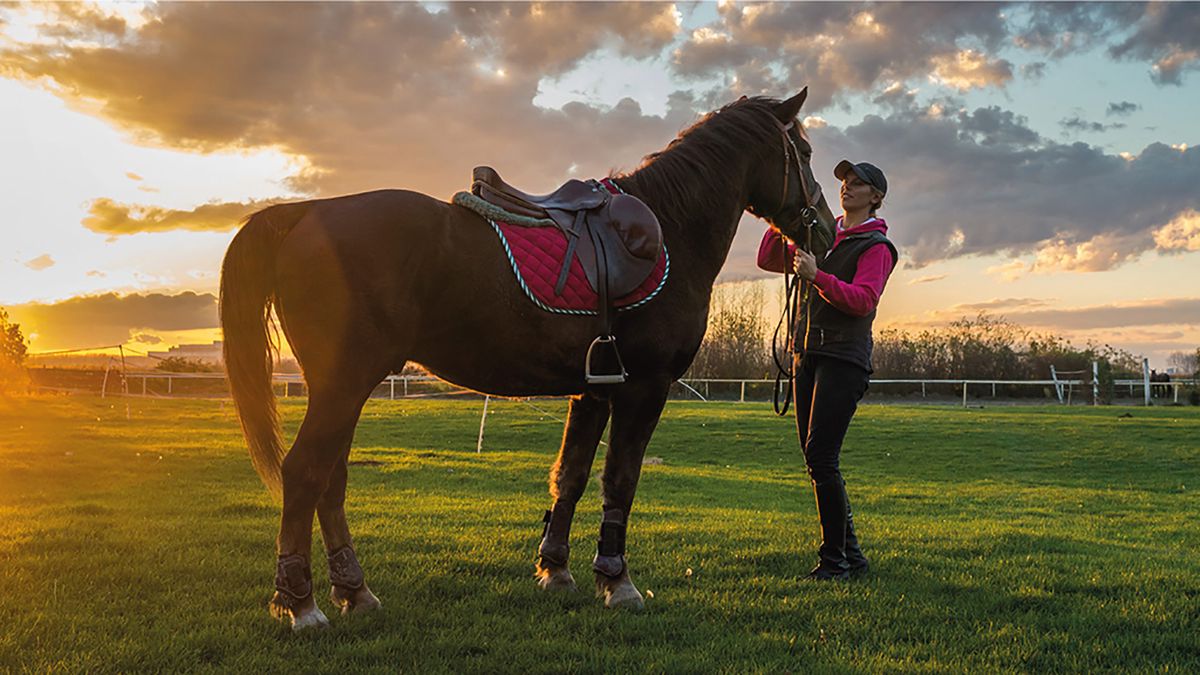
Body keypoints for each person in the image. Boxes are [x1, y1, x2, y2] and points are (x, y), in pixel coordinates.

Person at [757, 160, 898, 580]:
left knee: (822, 457)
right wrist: (787, 219)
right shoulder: (823, 234)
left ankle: (834, 562)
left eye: (857, 184)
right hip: (807, 353)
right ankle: (851, 557)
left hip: (843, 357)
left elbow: (863, 300)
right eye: (844, 183)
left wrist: (817, 276)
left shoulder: (875, 247)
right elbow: (767, 258)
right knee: (816, 458)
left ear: (875, 197)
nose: (847, 188)